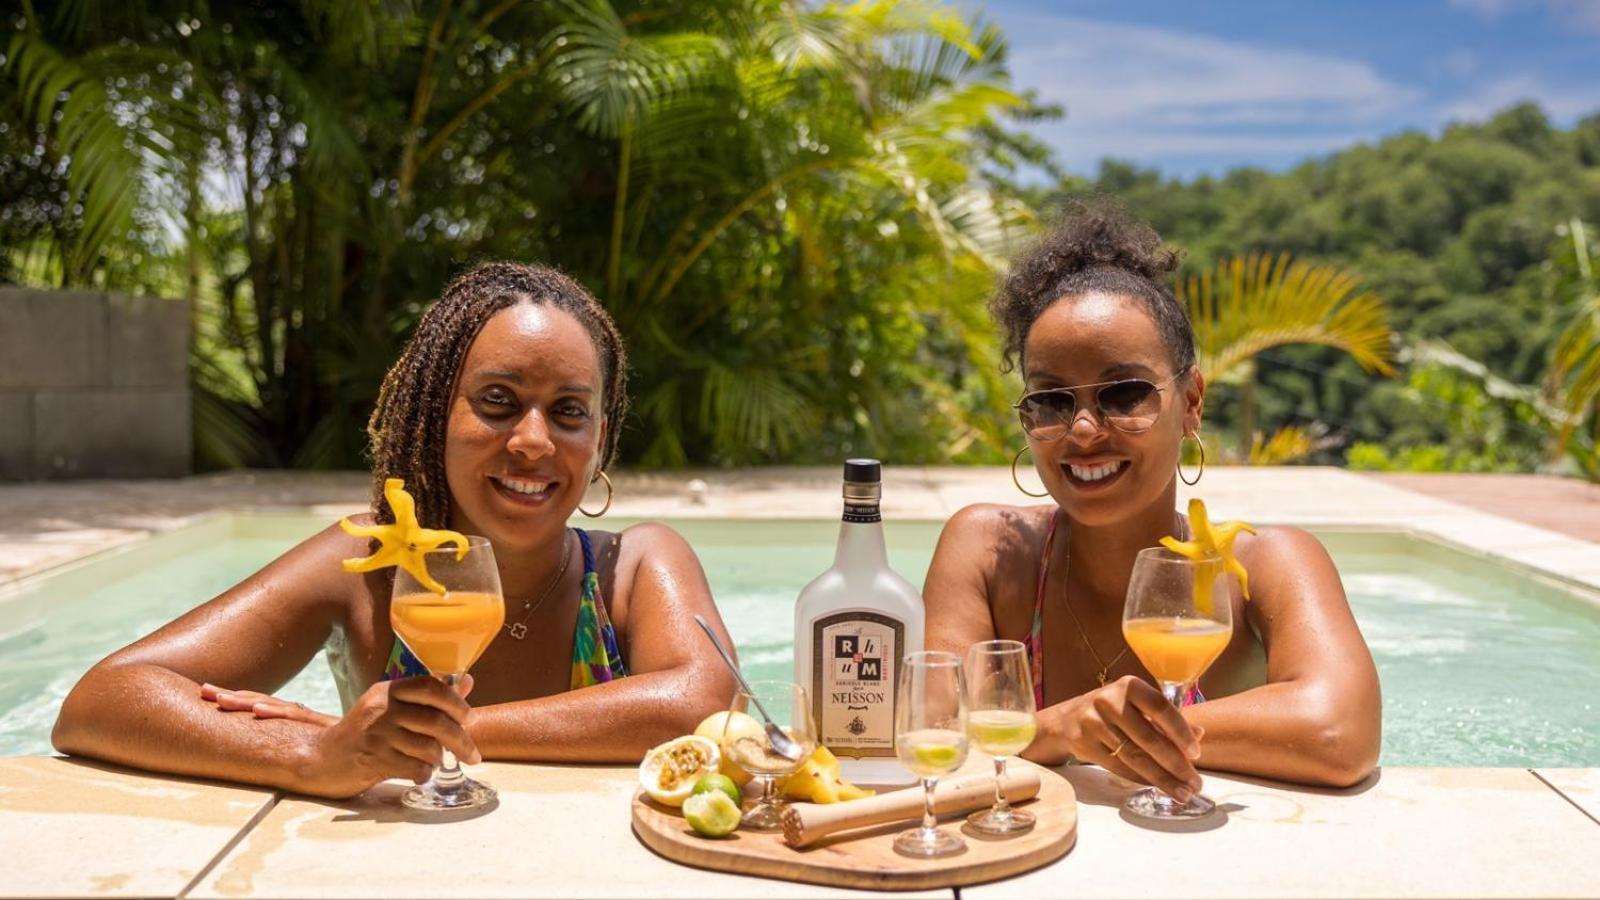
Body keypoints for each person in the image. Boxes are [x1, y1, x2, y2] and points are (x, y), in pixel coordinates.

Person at [53, 262, 738, 799]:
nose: (533, 441)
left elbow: (708, 704)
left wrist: (443, 730)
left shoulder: (637, 565)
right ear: (436, 412)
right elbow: (102, 700)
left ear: (601, 441)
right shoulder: (365, 562)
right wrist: (312, 755)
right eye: (498, 402)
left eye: (568, 412)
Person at [923, 202, 1381, 796]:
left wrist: (1098, 730)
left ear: (1191, 401)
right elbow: (932, 730)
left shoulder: (1263, 566)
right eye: (1051, 401)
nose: (1083, 429)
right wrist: (1065, 726)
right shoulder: (990, 551)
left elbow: (1340, 734)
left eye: (1124, 394)